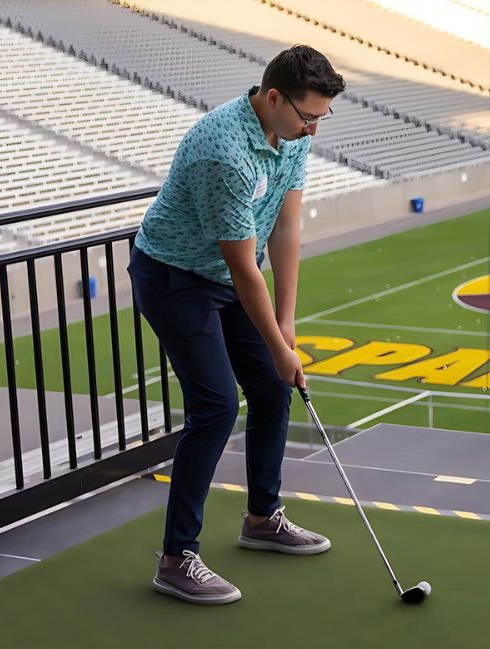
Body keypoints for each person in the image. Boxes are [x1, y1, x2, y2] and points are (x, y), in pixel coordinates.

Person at [131, 46, 345, 605]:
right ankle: (177, 559)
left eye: (322, 117)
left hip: (224, 275)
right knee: (217, 405)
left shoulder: (290, 134)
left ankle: (261, 518)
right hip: (175, 278)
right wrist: (276, 346)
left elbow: (286, 228)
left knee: (274, 387)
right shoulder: (222, 151)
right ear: (273, 98)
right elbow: (241, 265)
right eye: (308, 116)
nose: (314, 129)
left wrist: (287, 325)